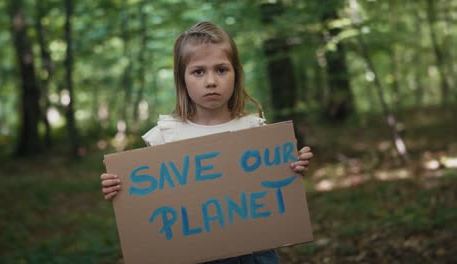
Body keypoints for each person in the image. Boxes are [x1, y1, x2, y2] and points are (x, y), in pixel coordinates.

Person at [100, 21, 313, 264]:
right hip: (191, 254)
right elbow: (148, 198)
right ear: (183, 79)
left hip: (254, 253)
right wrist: (119, 188)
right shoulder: (165, 135)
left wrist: (294, 166)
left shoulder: (255, 130)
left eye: (221, 70)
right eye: (198, 72)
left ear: (236, 74)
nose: (211, 81)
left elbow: (274, 187)